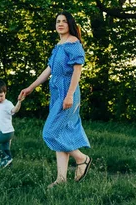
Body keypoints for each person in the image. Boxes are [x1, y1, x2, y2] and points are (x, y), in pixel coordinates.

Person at [19, 11, 92, 188]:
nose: (60, 24)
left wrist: (69, 95)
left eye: (64, 21)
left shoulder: (74, 43)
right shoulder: (59, 45)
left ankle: (82, 159)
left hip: (68, 93)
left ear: (70, 24)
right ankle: (61, 178)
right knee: (60, 133)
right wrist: (31, 87)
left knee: (50, 133)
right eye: (58, 21)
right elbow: (49, 69)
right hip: (57, 93)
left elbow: (77, 71)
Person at [0, 79, 24, 169]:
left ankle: (5, 158)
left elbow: (14, 110)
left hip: (7, 132)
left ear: (5, 93)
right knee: (6, 149)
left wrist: (19, 102)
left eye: (1, 96)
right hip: (1, 131)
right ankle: (9, 167)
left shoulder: (7, 104)